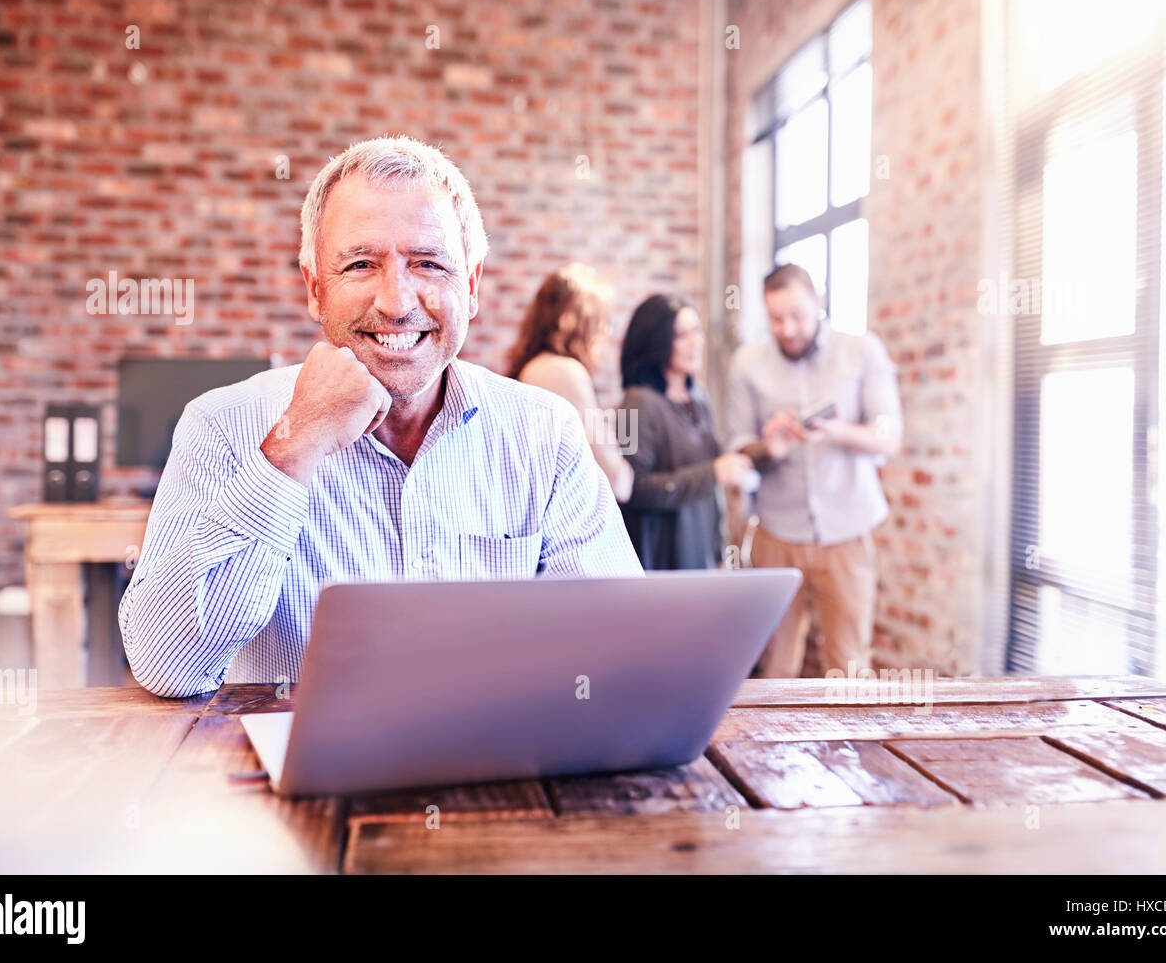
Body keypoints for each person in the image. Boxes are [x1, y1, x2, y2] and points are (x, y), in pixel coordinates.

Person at [120, 135, 642, 698]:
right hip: (299, 779)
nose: (396, 302)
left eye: (428, 263)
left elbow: (617, 654)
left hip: (492, 773)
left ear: (470, 286)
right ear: (315, 287)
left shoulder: (545, 431)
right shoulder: (221, 427)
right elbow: (167, 664)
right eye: (362, 264)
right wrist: (296, 445)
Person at [726, 263, 902, 678]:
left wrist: (839, 431)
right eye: (776, 318)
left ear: (819, 303)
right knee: (777, 666)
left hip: (847, 532)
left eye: (798, 316)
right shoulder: (747, 365)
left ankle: (852, 744)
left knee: (849, 665)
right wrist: (768, 447)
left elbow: (888, 435)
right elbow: (736, 449)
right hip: (776, 534)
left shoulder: (862, 351)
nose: (788, 329)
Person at [618, 294, 756, 570]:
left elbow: (711, 488)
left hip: (699, 552)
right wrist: (712, 473)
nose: (695, 343)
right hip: (659, 560)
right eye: (682, 335)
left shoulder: (698, 396)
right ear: (655, 342)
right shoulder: (634, 403)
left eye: (697, 331)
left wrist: (718, 554)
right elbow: (633, 490)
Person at [509, 263, 634, 503]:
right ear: (572, 321)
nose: (606, 331)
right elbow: (618, 480)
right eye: (600, 320)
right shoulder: (564, 372)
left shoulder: (534, 366)